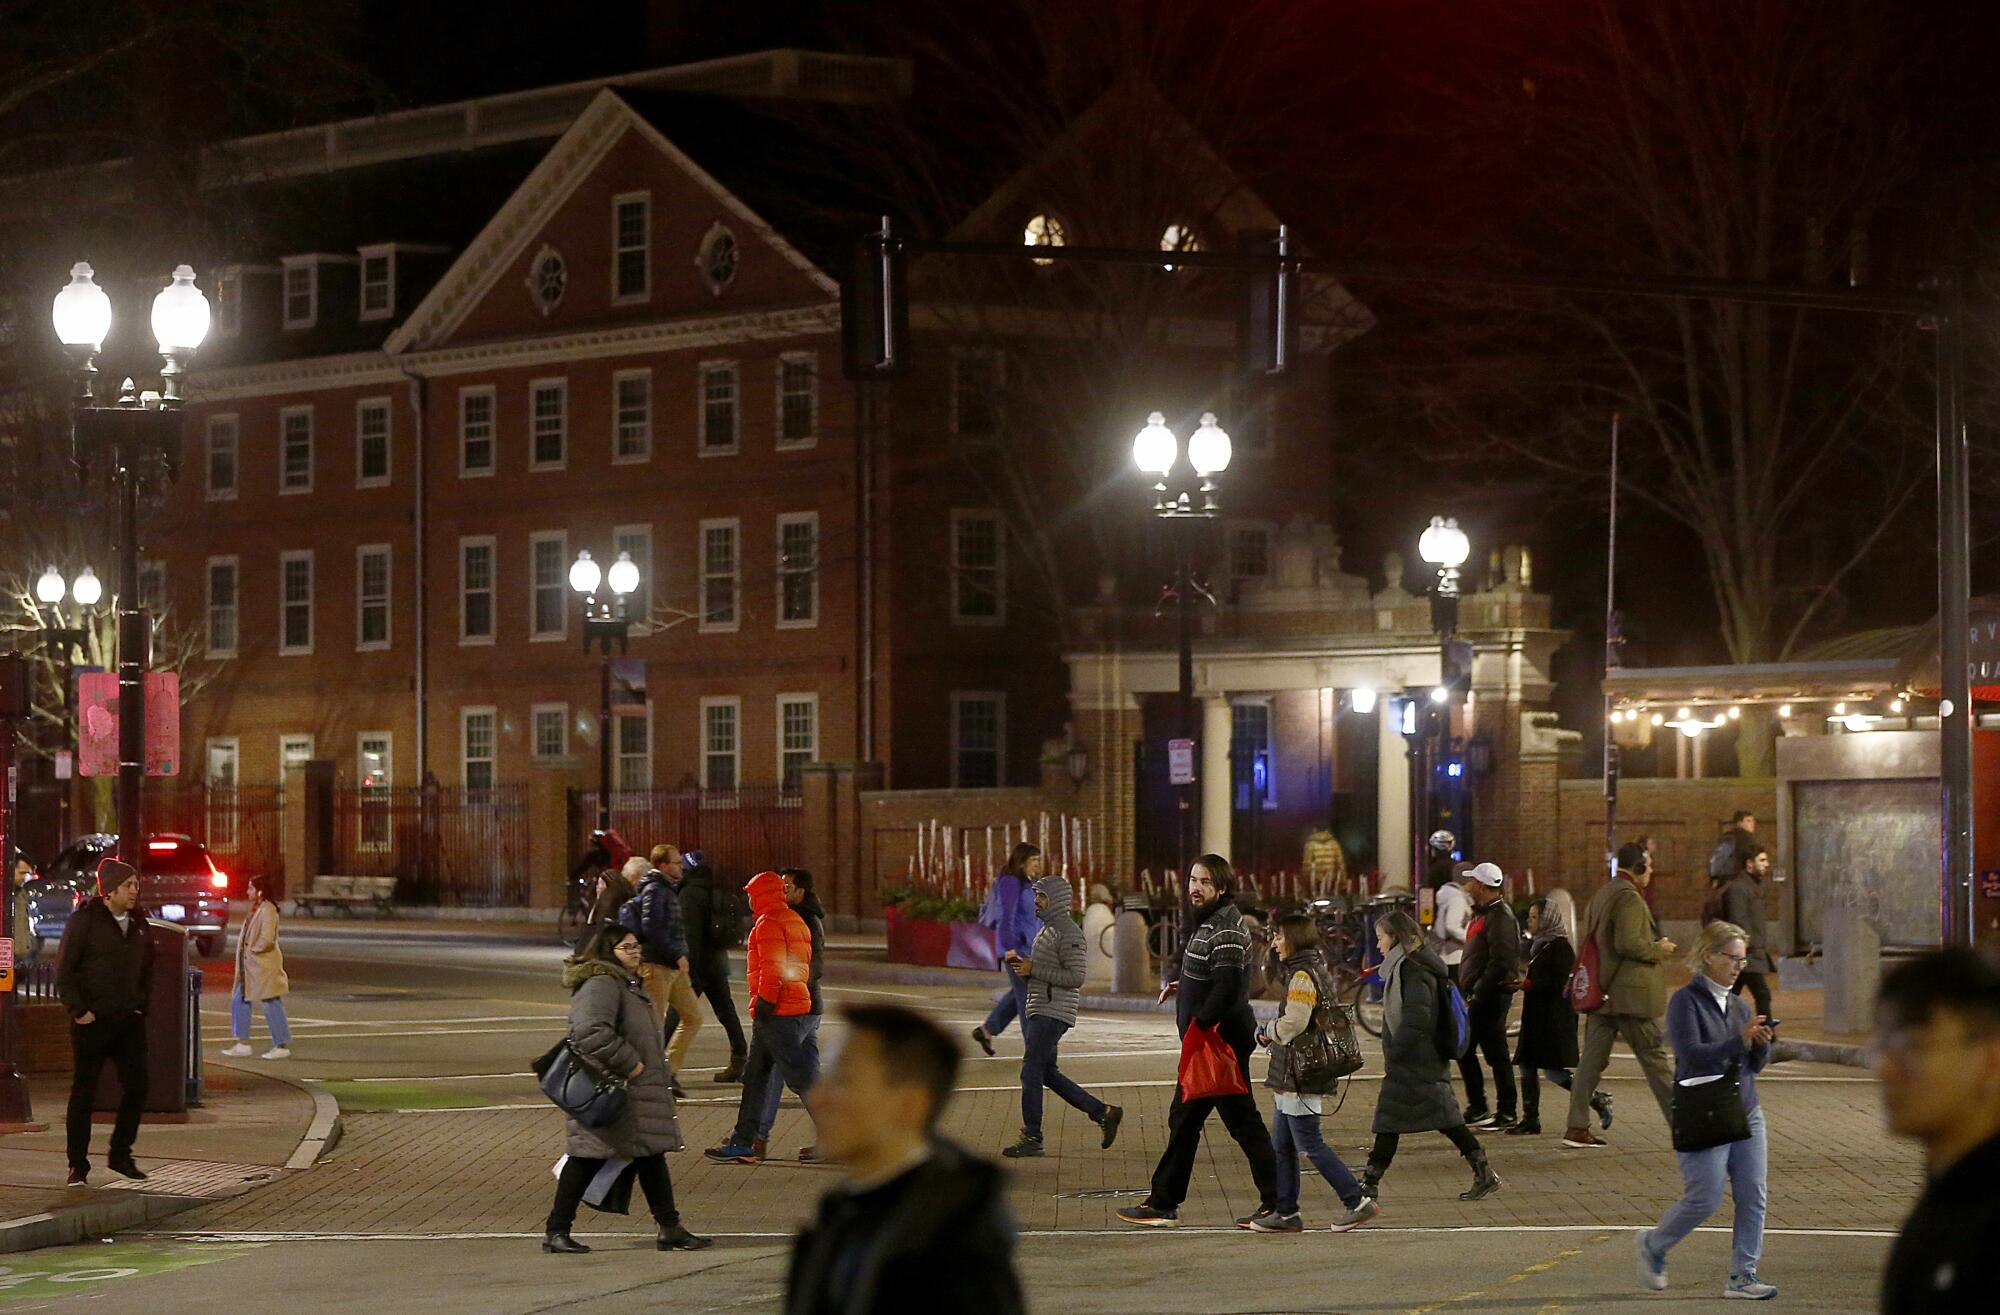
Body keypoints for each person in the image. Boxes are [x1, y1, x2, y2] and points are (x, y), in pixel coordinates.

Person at [786, 1004, 1023, 1315]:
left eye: (843, 1081)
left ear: (910, 1104)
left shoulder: (956, 1246)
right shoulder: (839, 1214)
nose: (818, 1098)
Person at [1116, 855, 1279, 1227]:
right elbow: (1211, 976)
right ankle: (1165, 1201)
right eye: (1192, 879)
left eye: (1204, 881)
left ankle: (1278, 1202)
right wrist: (1183, 985)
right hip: (1208, 1042)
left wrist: (1201, 1026)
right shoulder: (1208, 922)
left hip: (1217, 1044)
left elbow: (1228, 988)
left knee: (1237, 1123)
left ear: (1221, 887)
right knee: (1190, 1120)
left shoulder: (1226, 929)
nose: (1195, 887)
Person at [543, 924, 711, 1255]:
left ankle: (670, 1227)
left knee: (651, 1155)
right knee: (585, 1158)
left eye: (636, 947)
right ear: (608, 952)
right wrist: (631, 1064)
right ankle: (556, 1231)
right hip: (612, 1088)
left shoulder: (628, 983)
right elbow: (590, 1031)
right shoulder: (601, 983)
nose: (635, 953)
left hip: (636, 1090)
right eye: (626, 948)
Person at [1635, 919, 1776, 1300]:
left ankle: (1742, 1275)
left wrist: (1761, 1043)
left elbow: (1753, 1066)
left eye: (1742, 961)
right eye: (1731, 958)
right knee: (1706, 1197)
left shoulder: (1738, 1006)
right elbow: (1691, 1057)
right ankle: (1654, 1244)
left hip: (1745, 1109)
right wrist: (1738, 1041)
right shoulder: (1685, 1001)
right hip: (1704, 1109)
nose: (1737, 967)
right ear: (1708, 956)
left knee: (1753, 1194)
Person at [1876, 948, 2000, 1314]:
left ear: (1992, 1059)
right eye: (1883, 1045)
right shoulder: (1948, 1196)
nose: (1887, 1068)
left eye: (1913, 1046)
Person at [1359, 909, 1500, 1202]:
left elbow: (1417, 1017)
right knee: (1436, 1119)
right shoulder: (1409, 965)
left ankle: (1369, 1184)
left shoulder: (1413, 969)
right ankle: (1483, 1171)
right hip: (1418, 1059)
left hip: (1416, 1060)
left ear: (1396, 937)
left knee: (1394, 1121)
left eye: (1381, 938)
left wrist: (1396, 1051)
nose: (1377, 945)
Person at [1252, 913, 1379, 1232]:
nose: (1275, 942)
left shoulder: (1302, 976)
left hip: (1302, 1073)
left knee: (1310, 1143)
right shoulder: (1311, 968)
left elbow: (1295, 1021)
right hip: (1294, 1073)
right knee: (1282, 1144)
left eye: (1279, 936)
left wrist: (1268, 1029)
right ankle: (1287, 1212)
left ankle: (1355, 1200)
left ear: (1294, 938)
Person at [1563, 842, 1677, 1148]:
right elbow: (1628, 943)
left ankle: (1576, 1126)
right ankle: (1684, 1126)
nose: (1651, 872)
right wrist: (1659, 948)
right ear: (1638, 867)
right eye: (1649, 866)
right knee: (1655, 1062)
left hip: (1604, 993)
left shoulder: (1604, 892)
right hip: (1628, 996)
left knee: (1591, 1062)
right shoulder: (1629, 897)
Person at [1000, 875, 1121, 1157]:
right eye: (1036, 896)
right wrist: (1024, 966)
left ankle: (1032, 1136)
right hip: (1041, 1007)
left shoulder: (1068, 932)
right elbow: (1044, 971)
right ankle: (1103, 1112)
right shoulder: (1047, 931)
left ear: (1057, 900)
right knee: (1046, 1073)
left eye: (1041, 897)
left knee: (1031, 1071)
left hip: (1053, 1012)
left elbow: (1076, 976)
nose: (1036, 902)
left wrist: (1035, 970)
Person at [704, 870, 820, 1164]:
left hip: (776, 1011)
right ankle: (743, 1141)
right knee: (756, 1077)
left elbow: (772, 967)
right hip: (791, 1007)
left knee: (798, 1077)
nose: (748, 900)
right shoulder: (794, 919)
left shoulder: (768, 923)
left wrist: (766, 1001)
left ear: (761, 894)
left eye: (751, 894)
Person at [55, 858, 154, 1187]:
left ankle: (120, 1154)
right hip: (92, 1022)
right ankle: (77, 1165)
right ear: (109, 890)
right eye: (129, 886)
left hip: (127, 1020)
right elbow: (65, 971)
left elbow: (146, 970)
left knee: (138, 1086)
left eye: (136, 885)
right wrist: (79, 1010)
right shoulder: (85, 921)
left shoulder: (139, 923)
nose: (135, 892)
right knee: (84, 1092)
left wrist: (141, 1006)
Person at [1507, 897, 1612, 1137]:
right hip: (1537, 1015)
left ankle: (1596, 1100)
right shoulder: (1541, 944)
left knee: (1553, 1072)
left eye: (1535, 917)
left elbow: (1559, 982)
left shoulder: (1560, 947)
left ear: (1548, 919)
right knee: (1527, 1064)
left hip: (1552, 1019)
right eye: (1530, 917)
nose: (1531, 922)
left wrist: (1529, 983)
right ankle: (1530, 1119)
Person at [747, 868, 827, 1161]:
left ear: (800, 891)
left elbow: (811, 967)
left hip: (794, 1009)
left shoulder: (800, 919)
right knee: (806, 1075)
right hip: (804, 1007)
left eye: (787, 885)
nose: (781, 889)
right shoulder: (793, 916)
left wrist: (784, 993)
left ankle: (756, 1138)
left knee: (774, 1074)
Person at [617, 851, 699, 1095]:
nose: (681, 867)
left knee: (693, 1016)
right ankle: (644, 1078)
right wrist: (677, 953)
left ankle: (668, 1070)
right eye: (676, 863)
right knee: (653, 1024)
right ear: (663, 865)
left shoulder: (666, 888)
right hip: (655, 965)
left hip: (671, 966)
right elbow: (652, 927)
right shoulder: (655, 889)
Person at [667, 851, 748, 1084]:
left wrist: (685, 964)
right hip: (716, 963)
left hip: (696, 965)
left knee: (677, 1013)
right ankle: (740, 1057)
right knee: (726, 1012)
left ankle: (654, 1064)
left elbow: (690, 934)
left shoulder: (689, 894)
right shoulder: (715, 889)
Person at [1457, 862, 1520, 1130]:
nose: (1468, 885)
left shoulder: (1500, 917)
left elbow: (1501, 960)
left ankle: (1501, 1110)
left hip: (1492, 995)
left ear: (1482, 886)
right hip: (1485, 993)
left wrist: (1479, 990)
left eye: (1472, 882)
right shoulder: (1488, 914)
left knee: (1491, 1053)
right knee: (1471, 1050)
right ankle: (1483, 1107)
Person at [970, 843, 1043, 1057]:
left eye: (1038, 860)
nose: (1037, 865)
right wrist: (1009, 948)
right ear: (1021, 862)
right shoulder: (1011, 883)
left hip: (1030, 947)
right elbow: (1006, 916)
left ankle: (987, 1030)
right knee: (1029, 996)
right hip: (1016, 950)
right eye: (1033, 861)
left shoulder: (1029, 883)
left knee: (1020, 993)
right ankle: (1034, 1049)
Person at [222, 874, 291, 1060]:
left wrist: (253, 950)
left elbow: (267, 938)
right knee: (240, 1000)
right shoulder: (256, 909)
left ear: (260, 891)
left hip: (263, 966)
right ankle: (242, 1042)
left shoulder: (267, 910)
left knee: (270, 1003)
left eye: (251, 888)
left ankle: (281, 1044)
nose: (247, 891)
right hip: (250, 967)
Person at [1719, 844, 1775, 1019]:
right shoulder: (1739, 888)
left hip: (1750, 952)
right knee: (1762, 994)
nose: (1767, 864)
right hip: (1747, 953)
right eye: (1762, 860)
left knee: (1732, 994)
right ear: (1749, 864)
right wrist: (1746, 946)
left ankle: (1720, 1027)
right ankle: (1766, 1035)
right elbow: (1738, 921)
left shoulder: (1754, 886)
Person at [1428, 839, 1472, 983]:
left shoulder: (1431, 870)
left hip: (1445, 951)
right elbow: (1452, 926)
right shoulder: (1457, 898)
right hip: (1453, 953)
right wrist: (1471, 940)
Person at [1706, 810, 1757, 882]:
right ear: (1739, 824)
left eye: (1752, 821)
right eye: (1748, 821)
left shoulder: (1731, 837)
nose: (1752, 824)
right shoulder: (1735, 838)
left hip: (1734, 879)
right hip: (1735, 879)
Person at [585, 865, 635, 930]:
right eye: (597, 884)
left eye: (601, 884)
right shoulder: (597, 904)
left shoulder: (618, 907)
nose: (598, 887)